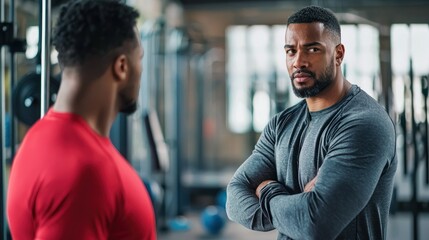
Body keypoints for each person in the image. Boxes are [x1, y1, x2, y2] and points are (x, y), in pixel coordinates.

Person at [226, 5, 397, 240]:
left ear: (338, 54)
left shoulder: (364, 124)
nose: (298, 61)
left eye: (312, 49)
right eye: (290, 51)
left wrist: (267, 190)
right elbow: (235, 197)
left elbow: (315, 225)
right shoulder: (281, 125)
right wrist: (299, 206)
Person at [7, 1, 156, 239]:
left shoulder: (38, 138)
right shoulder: (84, 173)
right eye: (140, 58)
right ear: (121, 66)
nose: (142, 69)